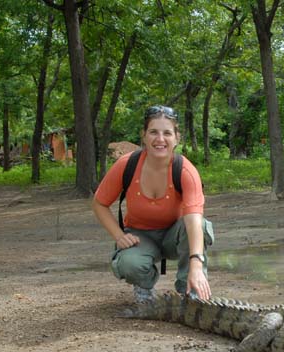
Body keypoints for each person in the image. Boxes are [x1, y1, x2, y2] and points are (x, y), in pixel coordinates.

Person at [92, 105, 214, 303]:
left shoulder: (186, 171)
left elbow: (193, 222)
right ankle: (144, 287)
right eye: (153, 132)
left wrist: (197, 265)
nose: (160, 139)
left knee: (201, 226)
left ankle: (190, 290)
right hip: (140, 237)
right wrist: (119, 236)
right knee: (130, 263)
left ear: (177, 138)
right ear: (143, 135)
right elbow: (99, 204)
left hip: (174, 236)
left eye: (167, 133)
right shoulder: (126, 165)